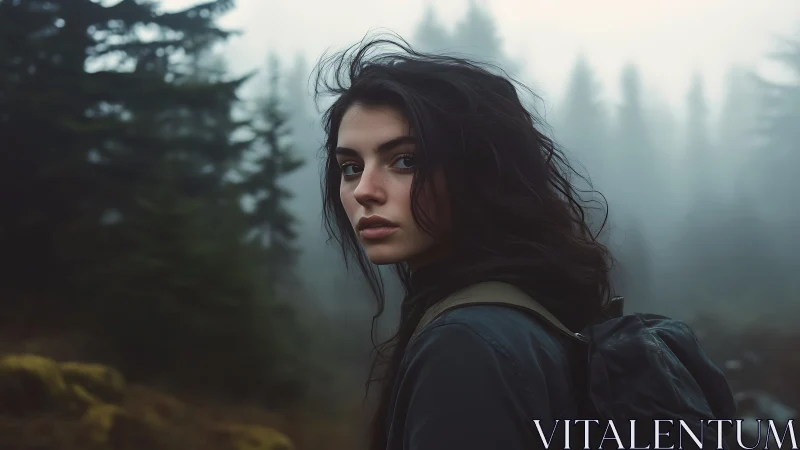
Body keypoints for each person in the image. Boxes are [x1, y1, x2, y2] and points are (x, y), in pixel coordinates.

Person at [313, 35, 614, 449]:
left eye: (405, 160)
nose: (364, 190)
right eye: (350, 167)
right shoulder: (527, 314)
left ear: (479, 171)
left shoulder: (466, 344)